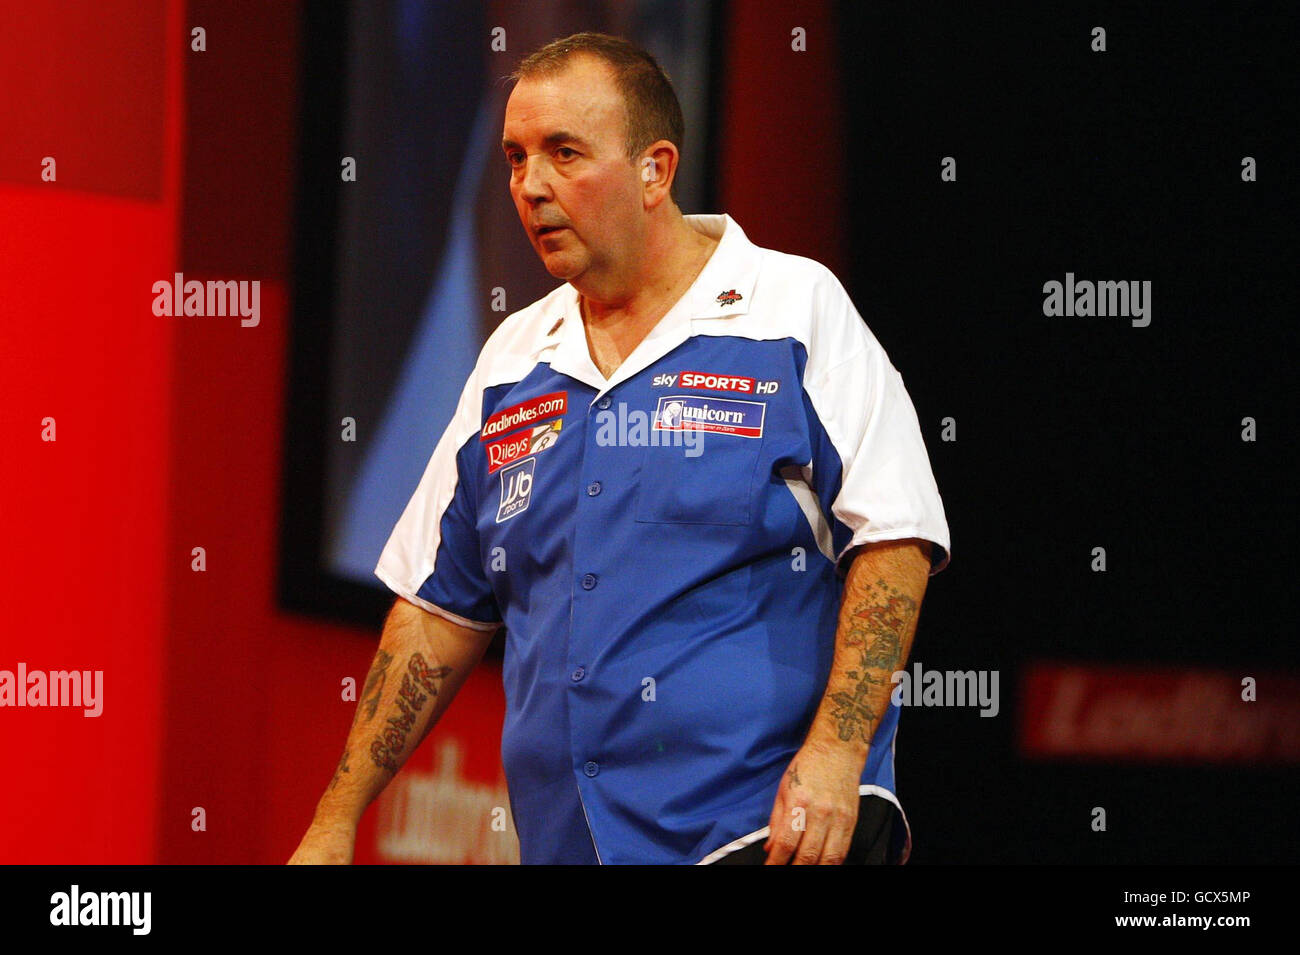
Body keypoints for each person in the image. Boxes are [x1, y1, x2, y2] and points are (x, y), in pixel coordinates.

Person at [290, 32, 950, 866]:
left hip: (768, 829)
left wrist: (836, 753)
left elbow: (895, 539)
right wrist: (335, 819)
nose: (530, 185)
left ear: (656, 170)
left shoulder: (793, 309)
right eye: (516, 157)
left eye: (565, 153)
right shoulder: (512, 363)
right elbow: (433, 617)